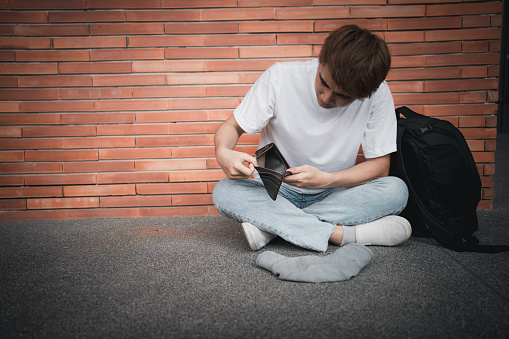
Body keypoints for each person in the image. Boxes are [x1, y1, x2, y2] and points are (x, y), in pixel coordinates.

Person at [212, 25, 411, 253]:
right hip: (276, 191)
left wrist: (326, 180)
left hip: (335, 192)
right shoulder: (281, 76)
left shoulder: (378, 94)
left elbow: (380, 167)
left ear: (364, 94)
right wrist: (223, 153)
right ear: (321, 61)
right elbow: (231, 127)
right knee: (225, 191)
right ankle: (342, 235)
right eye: (324, 82)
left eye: (342, 96)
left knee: (396, 190)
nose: (326, 98)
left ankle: (272, 228)